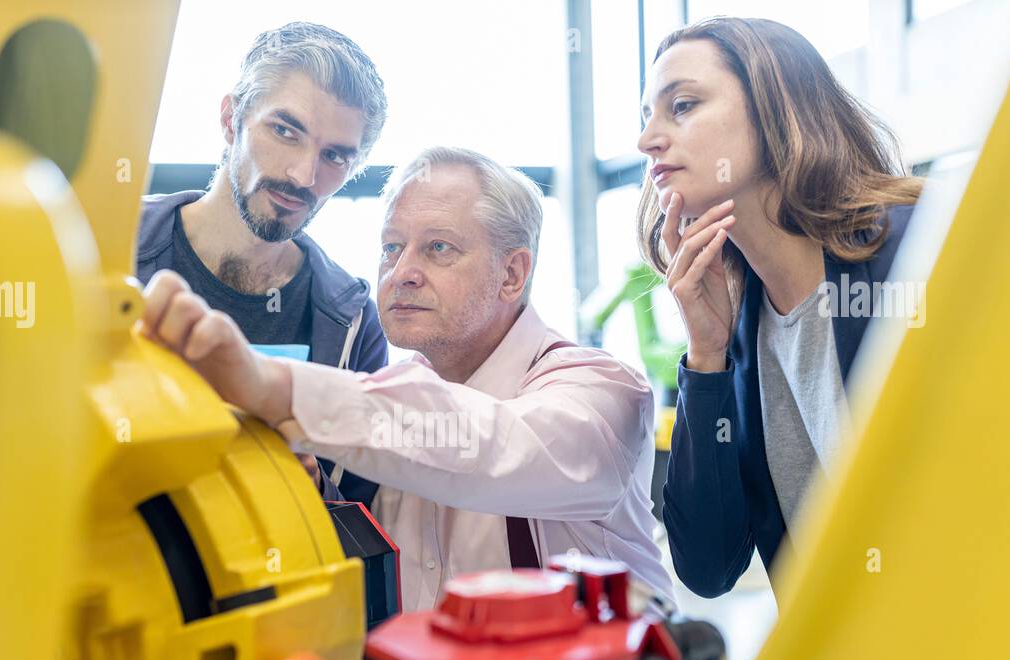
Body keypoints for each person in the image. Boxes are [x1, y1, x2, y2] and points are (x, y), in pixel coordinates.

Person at [138, 147, 675, 612]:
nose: (401, 273)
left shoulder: (602, 391)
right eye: (392, 248)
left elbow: (484, 444)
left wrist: (268, 383)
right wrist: (309, 492)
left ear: (512, 273)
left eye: (438, 248)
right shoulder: (393, 398)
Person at [637, 16, 923, 598]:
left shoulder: (919, 248)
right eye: (646, 119)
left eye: (683, 105)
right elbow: (709, 566)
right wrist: (707, 356)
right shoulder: (737, 329)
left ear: (777, 108)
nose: (648, 141)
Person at [136, 21, 389, 505]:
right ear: (231, 120)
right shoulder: (107, 248)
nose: (303, 175)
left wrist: (313, 489)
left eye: (335, 156)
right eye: (285, 130)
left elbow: (364, 521)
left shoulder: (353, 321)